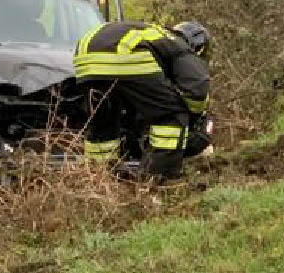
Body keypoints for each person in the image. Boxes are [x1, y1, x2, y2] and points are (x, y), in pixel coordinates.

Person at [73, 20, 211, 181]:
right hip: (122, 55)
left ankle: (98, 179)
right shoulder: (179, 45)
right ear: (198, 47)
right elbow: (197, 88)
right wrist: (193, 117)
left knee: (104, 123)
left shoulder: (156, 35)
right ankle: (156, 180)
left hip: (85, 57)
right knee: (171, 117)